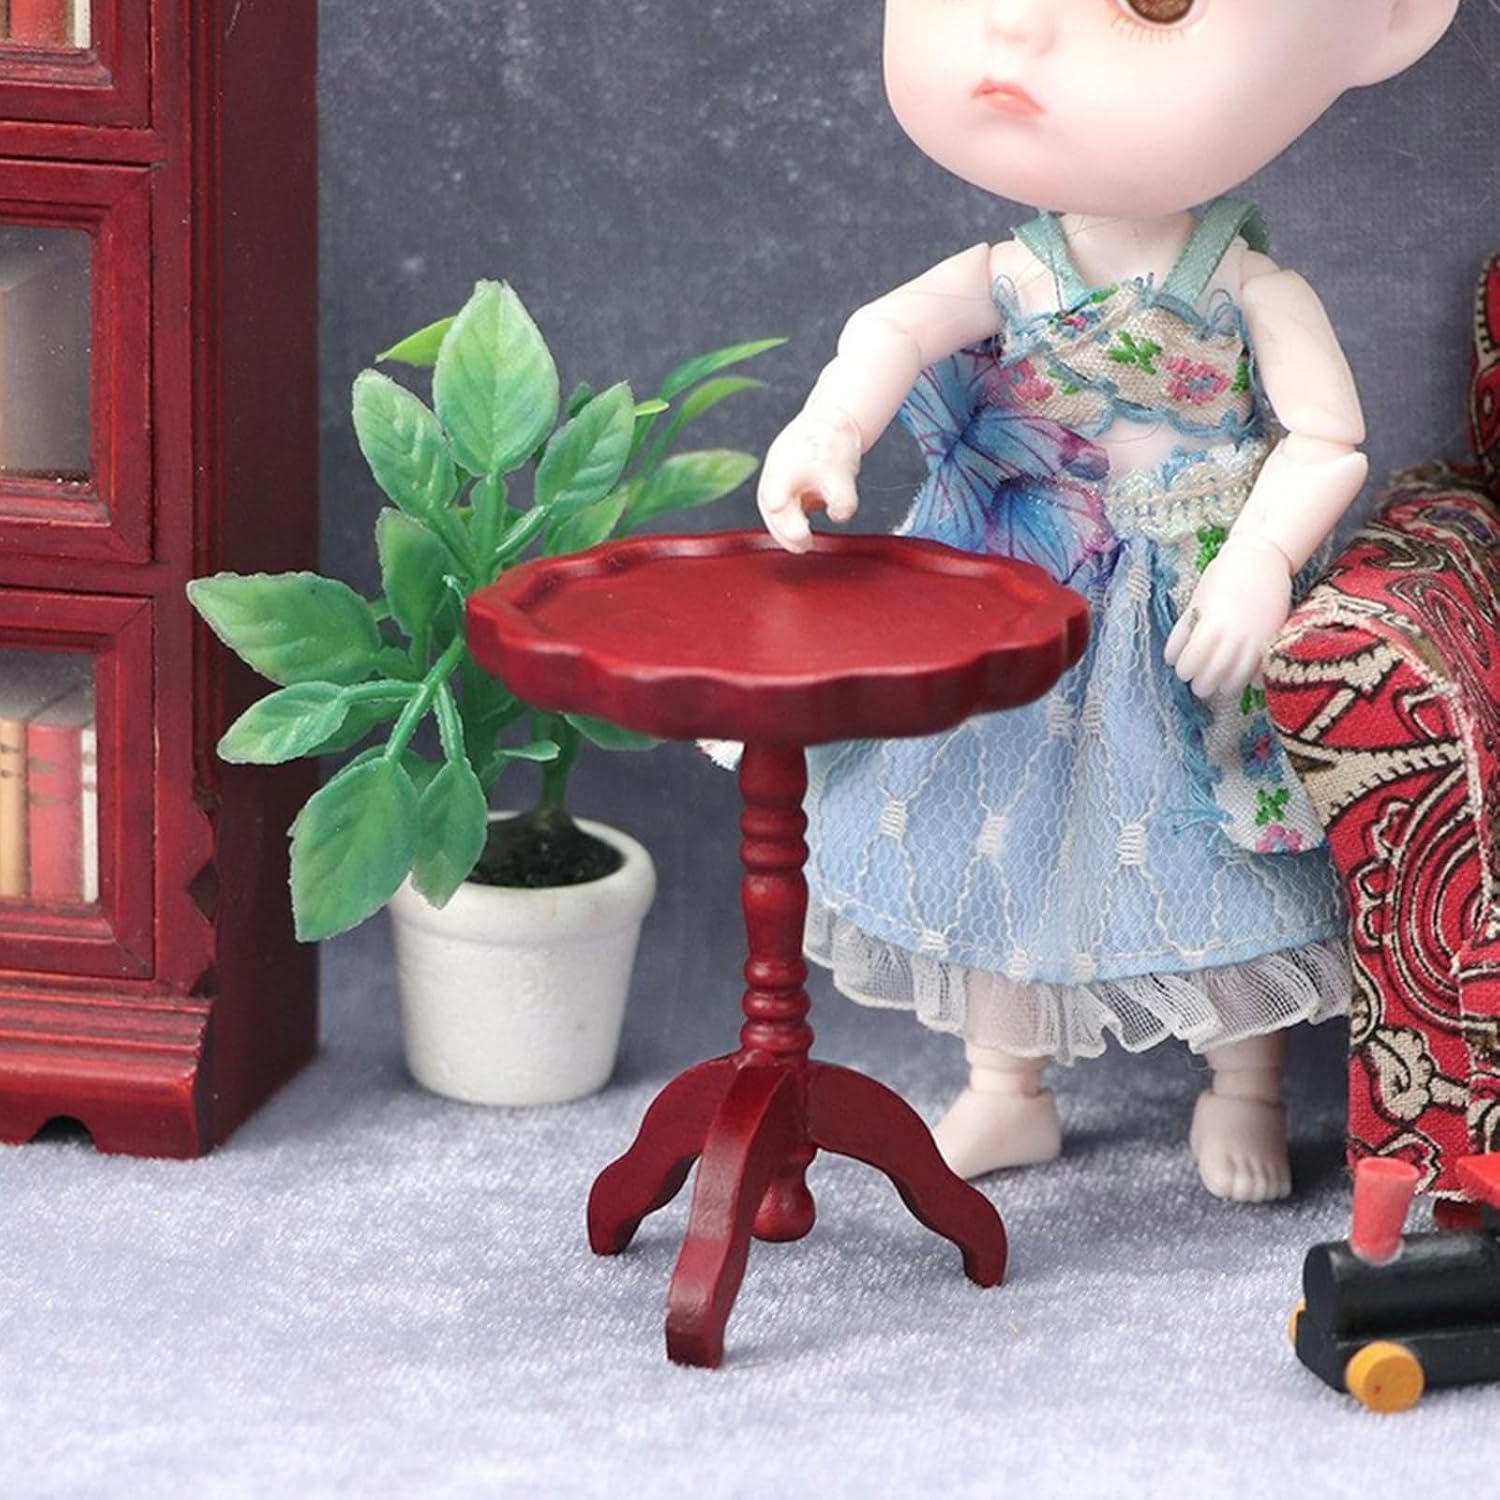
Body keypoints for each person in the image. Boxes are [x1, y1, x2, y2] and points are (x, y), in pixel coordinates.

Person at [756, 0, 1462, 1201]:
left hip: (1187, 598)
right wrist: (830, 426)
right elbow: (894, 329)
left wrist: (1260, 557)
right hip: (1024, 591)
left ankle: (1240, 1085)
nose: (1017, 30)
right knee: (996, 821)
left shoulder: (1243, 281)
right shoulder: (1014, 271)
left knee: (1216, 834)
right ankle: (1005, 1084)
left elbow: (1326, 439)